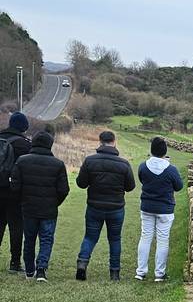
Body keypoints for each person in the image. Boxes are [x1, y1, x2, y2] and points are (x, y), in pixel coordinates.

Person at [75, 130, 135, 281]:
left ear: (100, 142)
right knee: (114, 239)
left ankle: (82, 263)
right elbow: (130, 187)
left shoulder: (90, 161)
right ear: (114, 142)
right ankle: (114, 272)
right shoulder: (124, 164)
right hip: (116, 208)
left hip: (94, 206)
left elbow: (81, 184)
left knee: (90, 237)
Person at [10, 129, 70, 281]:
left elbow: (15, 186)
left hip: (28, 208)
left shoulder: (22, 161)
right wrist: (55, 203)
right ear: (50, 145)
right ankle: (41, 269)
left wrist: (22, 201)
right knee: (46, 239)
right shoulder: (58, 164)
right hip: (49, 209)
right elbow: (63, 189)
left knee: (29, 239)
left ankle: (29, 271)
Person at [135, 137, 184, 282]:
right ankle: (159, 273)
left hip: (147, 207)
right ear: (165, 151)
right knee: (162, 240)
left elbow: (142, 179)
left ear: (151, 150)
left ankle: (141, 271)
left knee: (145, 237)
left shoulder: (143, 166)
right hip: (165, 209)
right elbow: (179, 186)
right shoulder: (171, 169)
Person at [0, 111, 32, 273]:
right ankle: (14, 263)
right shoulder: (24, 144)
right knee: (16, 227)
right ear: (23, 126)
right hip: (14, 192)